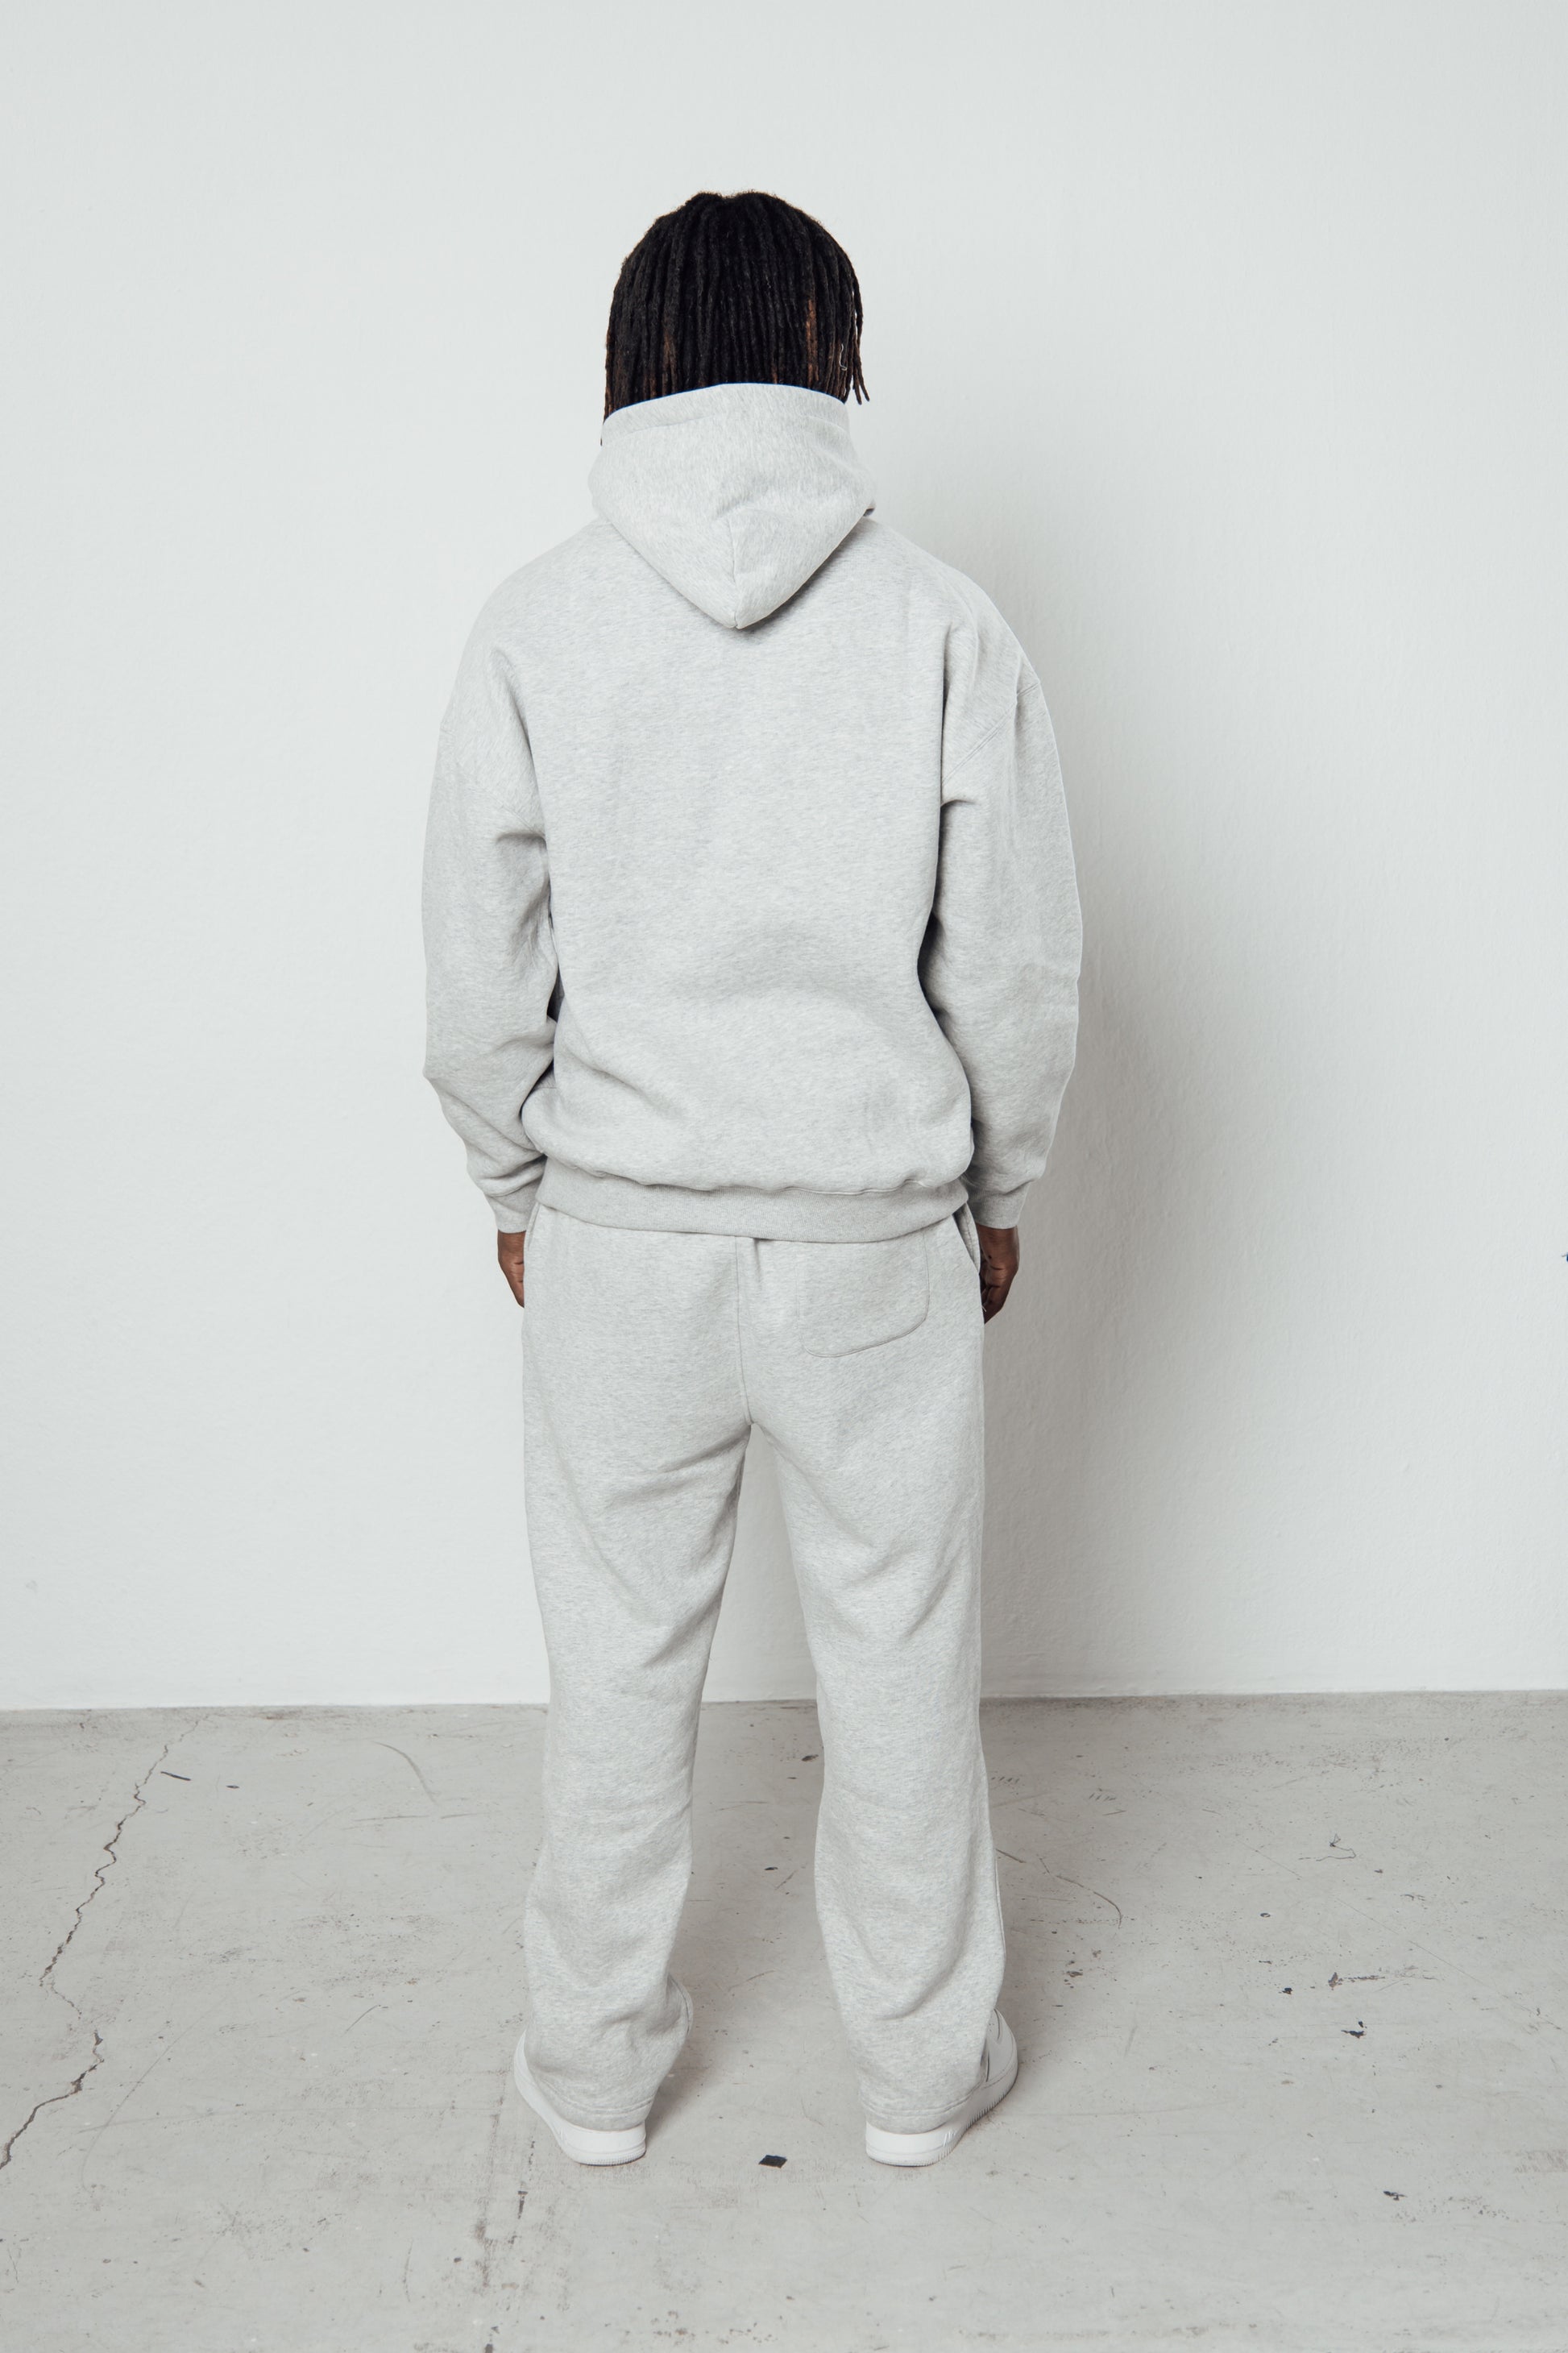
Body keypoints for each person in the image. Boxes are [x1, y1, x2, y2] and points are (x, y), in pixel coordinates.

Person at [422, 189, 1082, 2169]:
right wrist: (998, 1182)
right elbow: (1015, 957)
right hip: (873, 1241)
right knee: (903, 1661)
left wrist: (516, 1179)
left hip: (622, 1238)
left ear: (634, 357)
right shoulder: (939, 620)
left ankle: (592, 2074)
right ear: (830, 354)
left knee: (614, 1669)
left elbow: (477, 963)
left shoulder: (538, 618)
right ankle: (920, 2075)